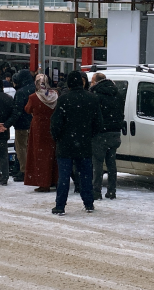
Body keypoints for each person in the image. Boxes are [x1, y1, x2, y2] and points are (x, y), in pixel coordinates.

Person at [50, 71, 103, 215]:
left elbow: (56, 123)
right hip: (84, 143)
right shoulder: (92, 99)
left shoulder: (64, 99)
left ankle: (60, 206)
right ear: (82, 82)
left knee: (64, 177)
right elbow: (98, 123)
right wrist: (87, 135)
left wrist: (58, 137)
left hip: (65, 144)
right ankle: (89, 203)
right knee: (86, 175)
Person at [90, 72, 124, 200]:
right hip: (115, 132)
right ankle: (112, 190)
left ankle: (96, 191)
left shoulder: (96, 95)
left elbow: (94, 115)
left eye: (92, 81)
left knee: (97, 164)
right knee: (111, 163)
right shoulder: (118, 94)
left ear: (97, 82)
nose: (91, 84)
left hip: (100, 133)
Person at [23, 74, 59, 192]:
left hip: (38, 128)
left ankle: (43, 182)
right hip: (52, 126)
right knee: (52, 153)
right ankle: (54, 179)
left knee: (40, 155)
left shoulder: (34, 97)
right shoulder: (55, 95)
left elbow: (28, 109)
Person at [11, 69, 35, 182]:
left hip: (22, 125)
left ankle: (24, 171)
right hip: (35, 124)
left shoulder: (21, 92)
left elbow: (17, 110)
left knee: (22, 149)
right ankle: (32, 169)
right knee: (33, 149)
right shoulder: (37, 89)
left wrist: (8, 123)